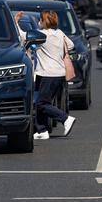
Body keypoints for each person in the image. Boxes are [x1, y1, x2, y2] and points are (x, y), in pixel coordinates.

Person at [14, 10, 77, 140]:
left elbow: (22, 35)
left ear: (44, 21)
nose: (38, 22)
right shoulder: (59, 33)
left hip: (49, 74)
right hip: (58, 73)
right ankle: (41, 130)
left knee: (42, 104)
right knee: (42, 102)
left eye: (40, 20)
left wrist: (16, 21)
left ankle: (65, 119)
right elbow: (71, 45)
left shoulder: (41, 35)